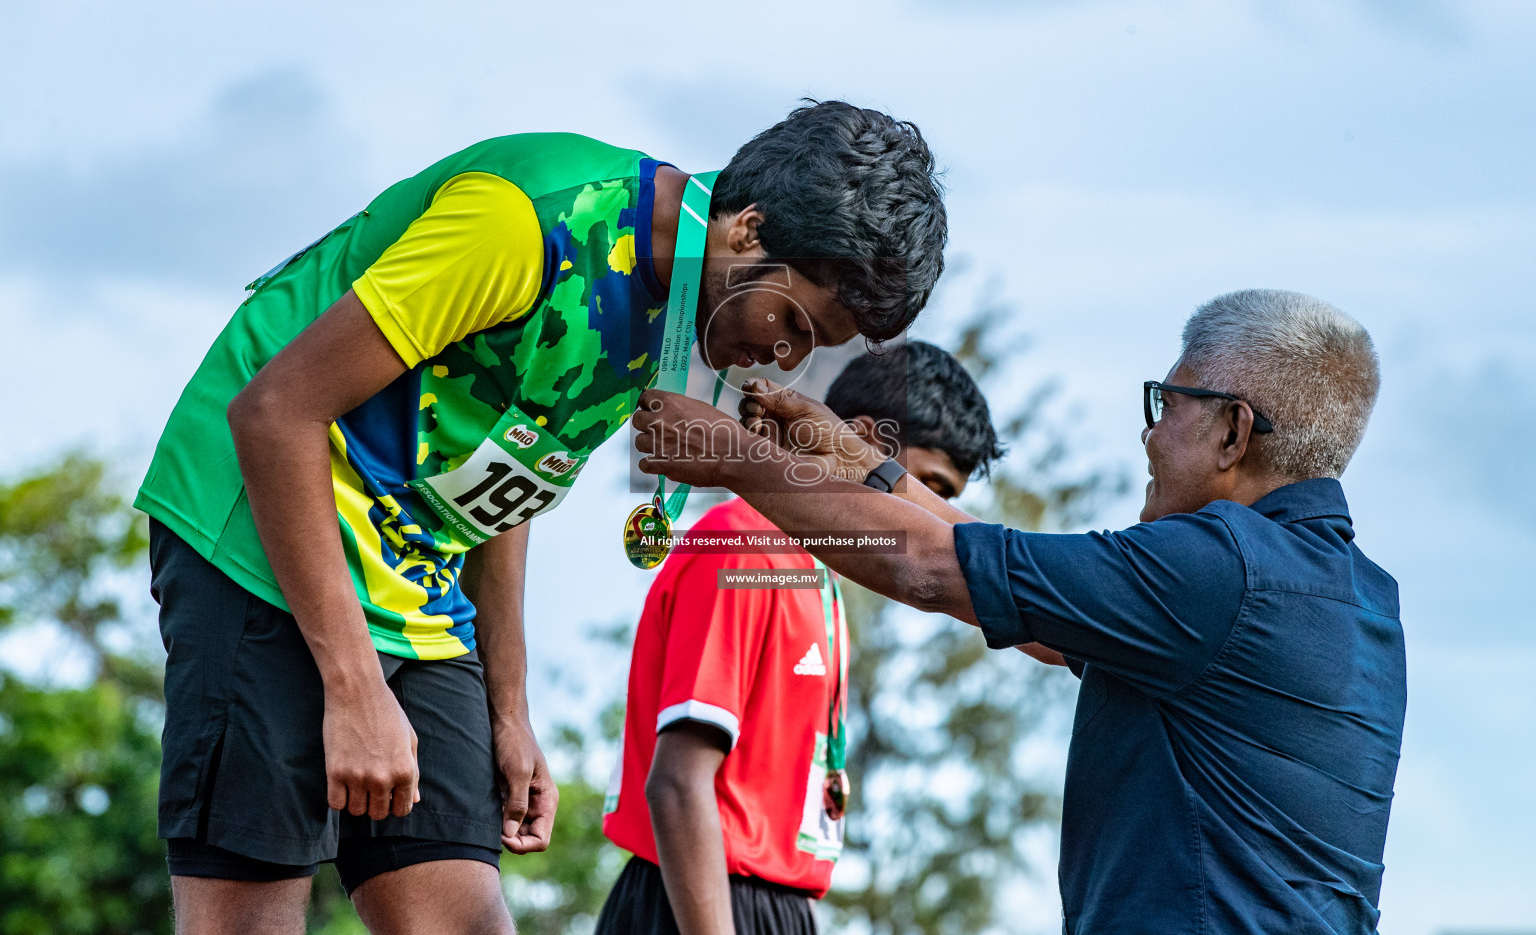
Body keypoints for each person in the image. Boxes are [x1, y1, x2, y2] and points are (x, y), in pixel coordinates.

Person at [134, 101, 947, 934]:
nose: (790, 358)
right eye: (799, 323)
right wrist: (353, 687)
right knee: (254, 916)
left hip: (416, 576)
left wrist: (508, 708)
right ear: (748, 230)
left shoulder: (675, 309)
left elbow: (513, 473)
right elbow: (273, 413)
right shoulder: (528, 222)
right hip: (261, 530)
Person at [633, 290, 1406, 934]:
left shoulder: (1218, 570)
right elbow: (1026, 591)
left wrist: (731, 453)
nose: (1148, 431)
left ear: (1233, 430)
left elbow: (932, 567)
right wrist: (871, 470)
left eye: (1165, 405)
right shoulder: (1356, 597)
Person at [597, 341, 1003, 935]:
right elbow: (679, 783)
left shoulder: (815, 575)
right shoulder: (747, 547)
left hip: (771, 904)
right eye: (932, 487)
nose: (935, 518)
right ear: (859, 441)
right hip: (697, 904)